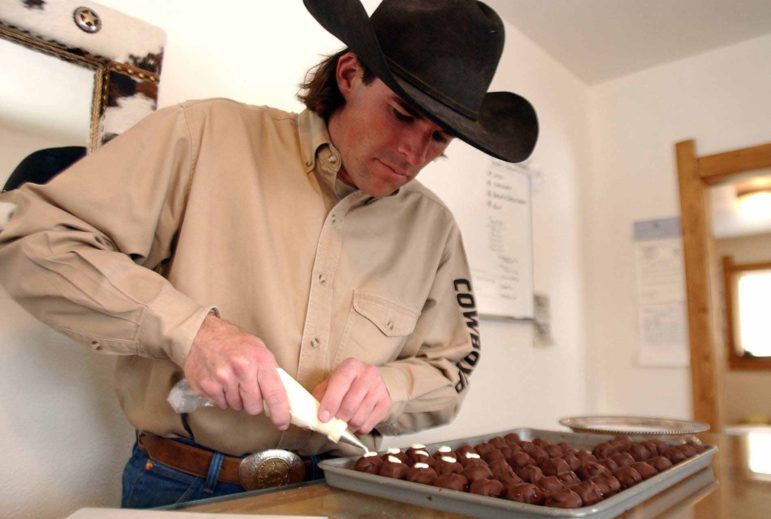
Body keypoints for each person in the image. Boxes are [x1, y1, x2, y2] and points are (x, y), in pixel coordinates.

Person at [0, 0, 537, 509]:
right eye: (400, 114)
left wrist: (391, 388)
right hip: (182, 486)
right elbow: (37, 239)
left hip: (346, 491)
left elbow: (451, 368)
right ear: (350, 74)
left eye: (438, 137)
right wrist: (193, 331)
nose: (412, 155)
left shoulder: (435, 229)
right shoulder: (203, 135)